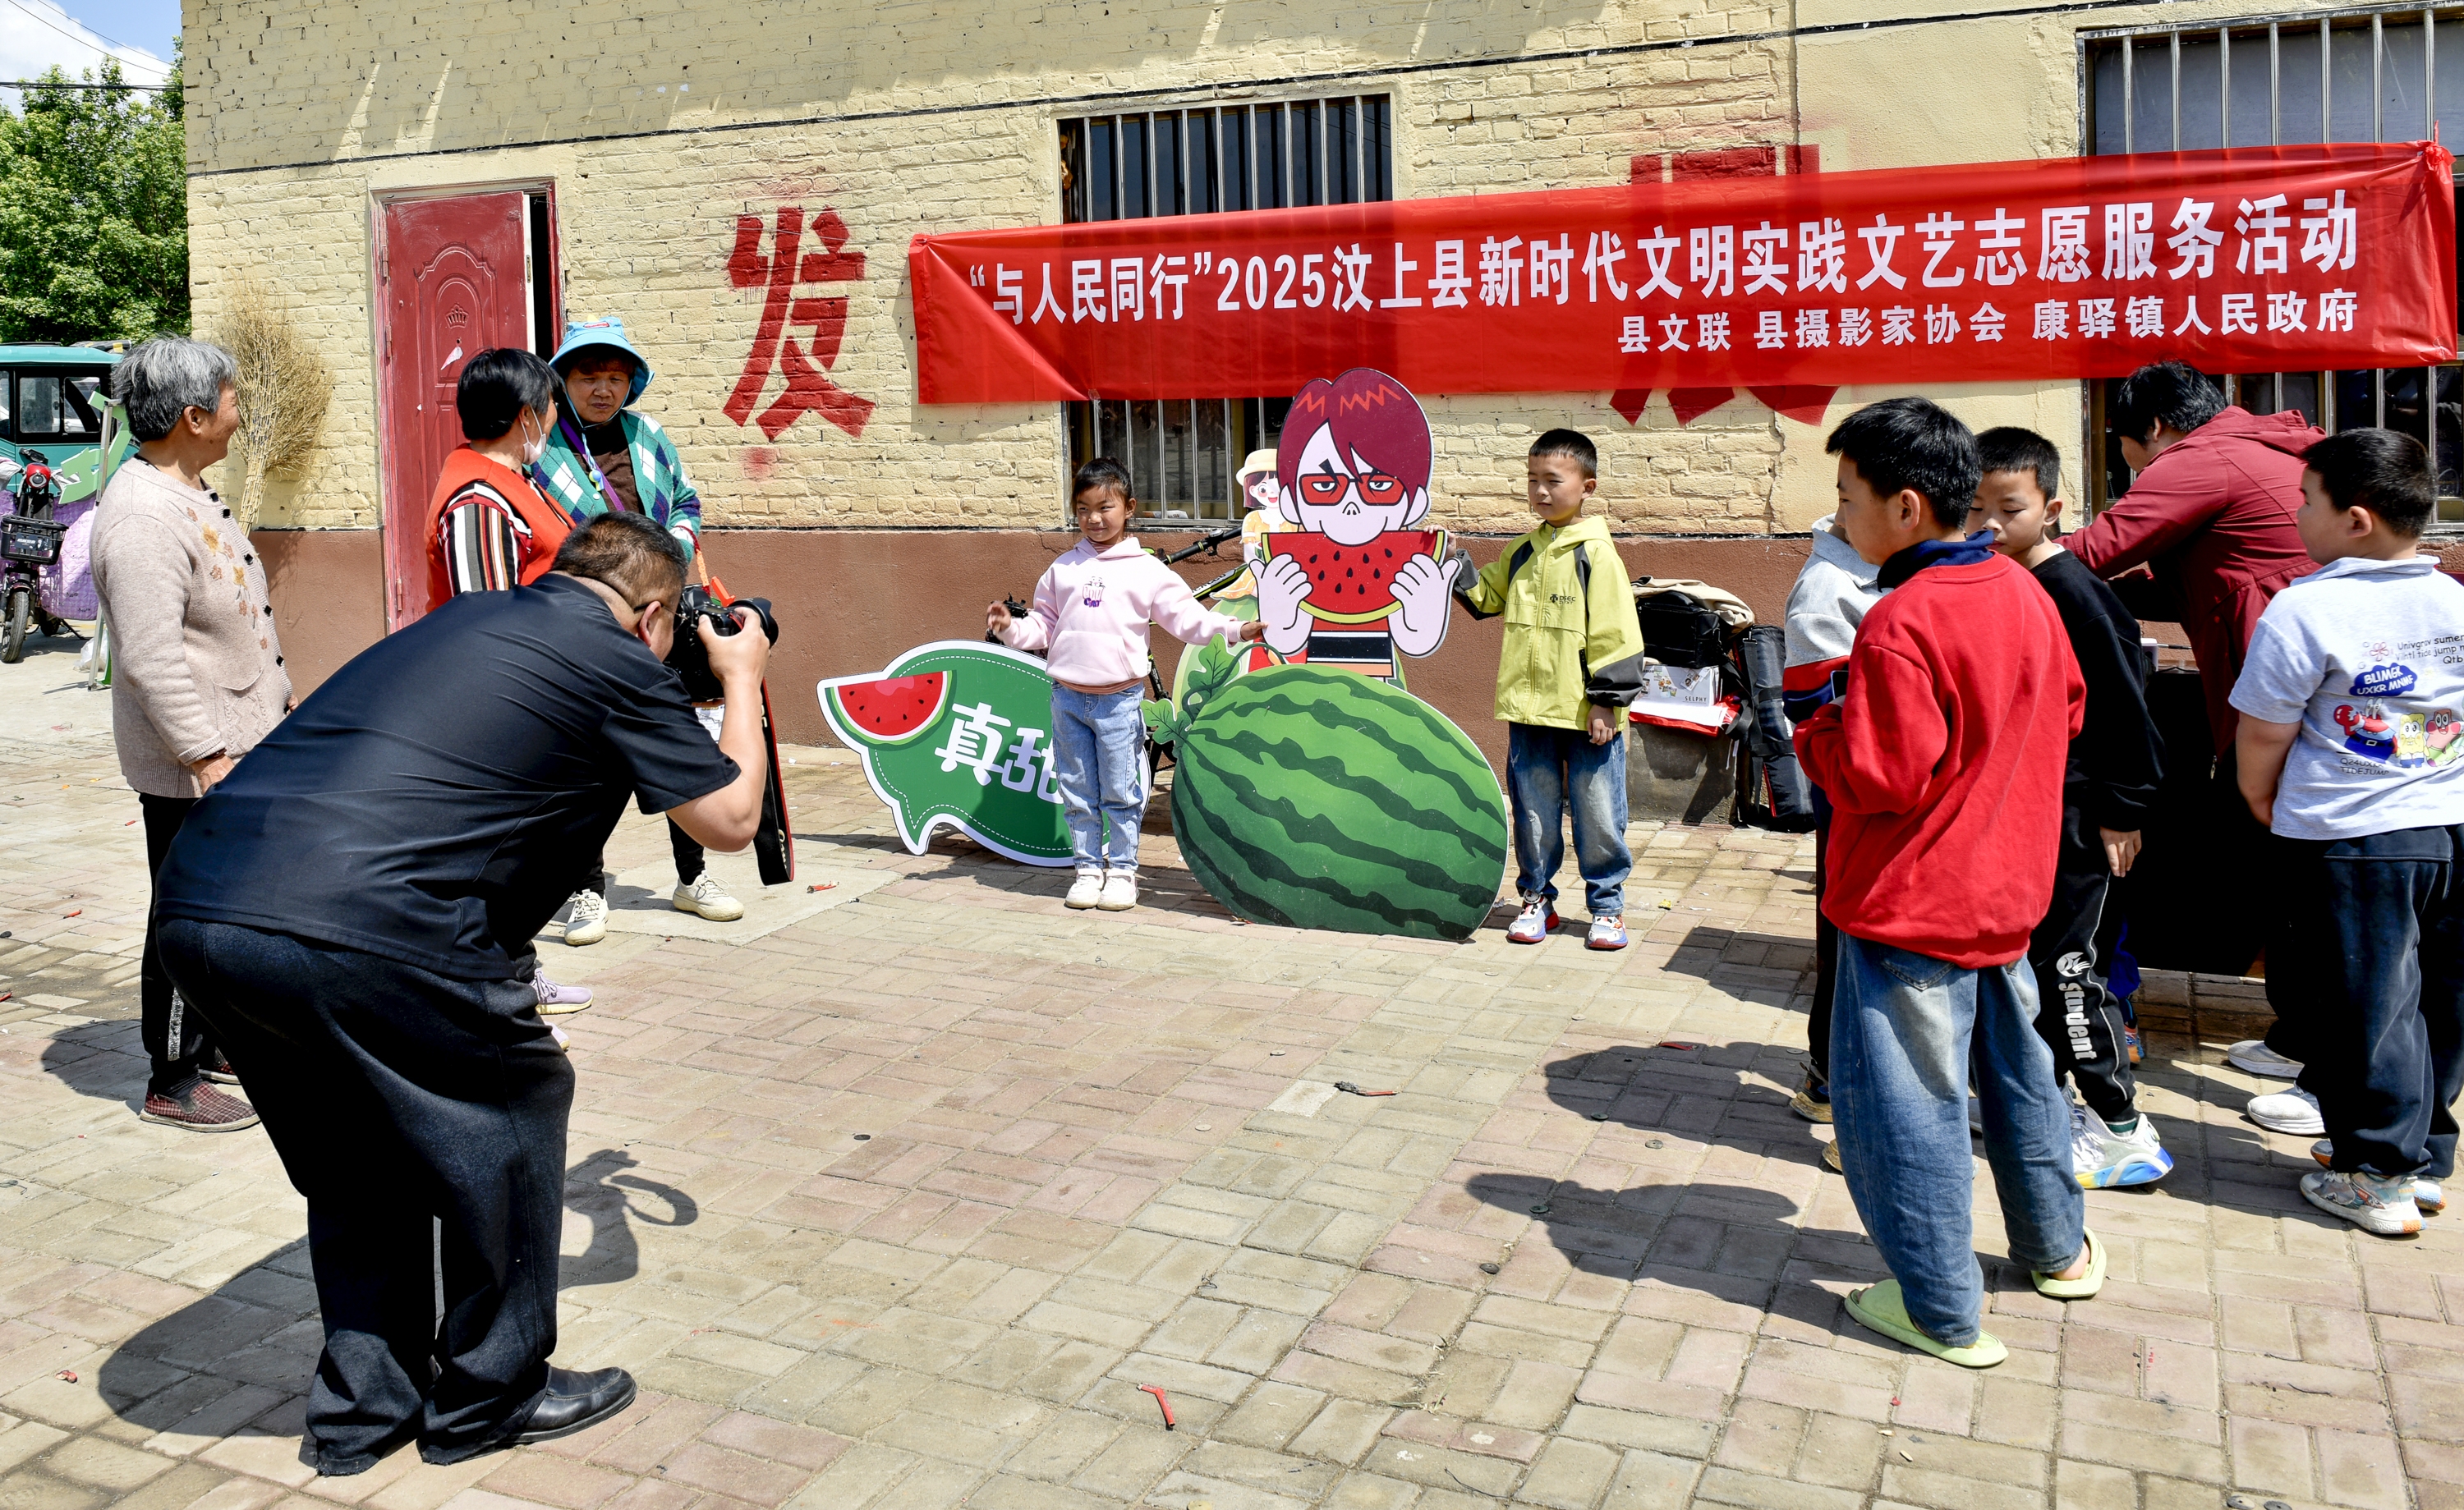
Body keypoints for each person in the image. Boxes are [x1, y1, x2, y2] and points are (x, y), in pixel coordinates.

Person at [152, 513, 771, 1472]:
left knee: (361, 1162)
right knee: (515, 1106)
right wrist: (740, 677)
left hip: (204, 911)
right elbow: (730, 819)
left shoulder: (465, 618)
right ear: (655, 615)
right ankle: (492, 1394)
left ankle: (363, 1413)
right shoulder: (617, 658)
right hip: (372, 928)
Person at [1792, 397, 2095, 1368]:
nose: (1841, 517)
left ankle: (1939, 1306)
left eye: (1849, 498)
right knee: (2021, 1079)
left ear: (1907, 506)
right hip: (2004, 894)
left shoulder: (1901, 619)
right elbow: (2067, 712)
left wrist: (1816, 727)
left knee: (1909, 1112)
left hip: (1912, 906)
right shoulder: (2026, 591)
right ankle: (2058, 1251)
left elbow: (1880, 778)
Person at [2229, 429, 2464, 1237]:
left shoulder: (2307, 607)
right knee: (2437, 998)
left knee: (2365, 1005)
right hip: (2448, 825)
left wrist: (2260, 797)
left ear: (2356, 519)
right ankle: (2421, 1154)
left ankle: (2376, 1174)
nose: (2296, 515)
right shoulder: (2454, 599)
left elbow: (2263, 730)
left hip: (2355, 840)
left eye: (2305, 501)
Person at [2064, 360, 2320, 1084]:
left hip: (2284, 701)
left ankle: (2328, 1060)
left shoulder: (2201, 457)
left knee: (2305, 878)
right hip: (2300, 692)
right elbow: (2179, 579)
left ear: (2154, 427)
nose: (2134, 471)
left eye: (2128, 451)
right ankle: (2302, 1034)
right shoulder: (2257, 449)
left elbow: (2093, 550)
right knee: (2286, 870)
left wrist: (1980, 572)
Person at [87, 336, 287, 1134]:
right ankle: (172, 1075)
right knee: (188, 916)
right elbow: (150, 656)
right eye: (232, 400)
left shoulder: (188, 491)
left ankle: (213, 1039)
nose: (241, 413)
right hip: (196, 766)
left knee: (225, 911)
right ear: (194, 417)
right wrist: (206, 755)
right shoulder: (142, 517)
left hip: (234, 750)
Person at [1972, 427, 2168, 1188]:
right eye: (1975, 507)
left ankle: (2121, 1127)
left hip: (2082, 818)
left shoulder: (2078, 595)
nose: (1989, 523)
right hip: (2032, 813)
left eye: (2009, 507)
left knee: (2069, 969)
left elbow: (2129, 712)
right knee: (2033, 964)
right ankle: (2045, 1101)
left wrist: (2123, 808)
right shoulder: (2006, 581)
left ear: (2051, 509)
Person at [533, 318, 742, 931]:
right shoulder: (543, 448)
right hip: (587, 625)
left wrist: (674, 548)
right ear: (563, 381)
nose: (604, 389)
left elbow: (686, 500)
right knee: (585, 759)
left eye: (616, 377)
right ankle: (586, 888)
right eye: (588, 376)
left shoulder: (648, 434)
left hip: (661, 619)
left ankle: (691, 877)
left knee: (679, 745)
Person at [989, 457, 1265, 911]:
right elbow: (1043, 626)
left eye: (1105, 507)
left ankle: (1121, 872)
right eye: (1083, 510)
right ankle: (1087, 870)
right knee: (1076, 788)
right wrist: (1010, 630)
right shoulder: (1062, 569)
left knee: (1121, 789)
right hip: (1066, 698)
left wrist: (1235, 629)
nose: (1094, 519)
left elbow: (1188, 619)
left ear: (1129, 507)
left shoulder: (1147, 570)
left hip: (1119, 701)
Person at [422, 348, 593, 1016]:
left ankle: (519, 975)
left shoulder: (512, 481)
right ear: (526, 415)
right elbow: (486, 623)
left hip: (534, 700)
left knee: (516, 860)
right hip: (498, 713)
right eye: (548, 408)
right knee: (496, 862)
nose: (552, 421)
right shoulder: (478, 500)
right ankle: (498, 997)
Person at [1454, 429, 1650, 951]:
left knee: (1598, 813)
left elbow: (1616, 633)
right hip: (1529, 711)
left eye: (1553, 481)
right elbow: (1485, 598)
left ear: (1587, 486)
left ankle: (1607, 907)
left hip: (1589, 715)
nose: (1540, 491)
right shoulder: (1522, 551)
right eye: (1532, 480)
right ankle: (1537, 899)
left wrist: (1606, 702)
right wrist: (1452, 561)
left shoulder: (1597, 555)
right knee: (1534, 814)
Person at [1781, 486, 1887, 1129]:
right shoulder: (1828, 588)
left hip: (1884, 794)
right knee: (1850, 936)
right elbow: (1820, 714)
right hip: (1858, 795)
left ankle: (1833, 1077)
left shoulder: (1902, 571)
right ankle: (1837, 1082)